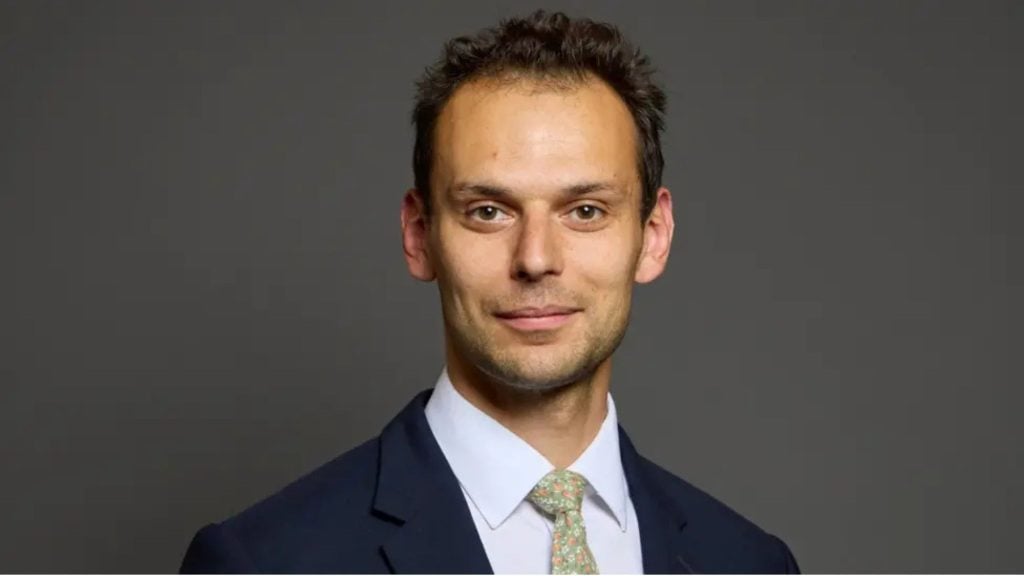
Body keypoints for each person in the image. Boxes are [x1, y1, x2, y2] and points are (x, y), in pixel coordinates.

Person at [180, 10, 799, 574]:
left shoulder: (751, 562)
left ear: (653, 235)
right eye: (487, 211)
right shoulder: (262, 561)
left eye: (584, 210)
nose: (536, 259)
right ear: (421, 236)